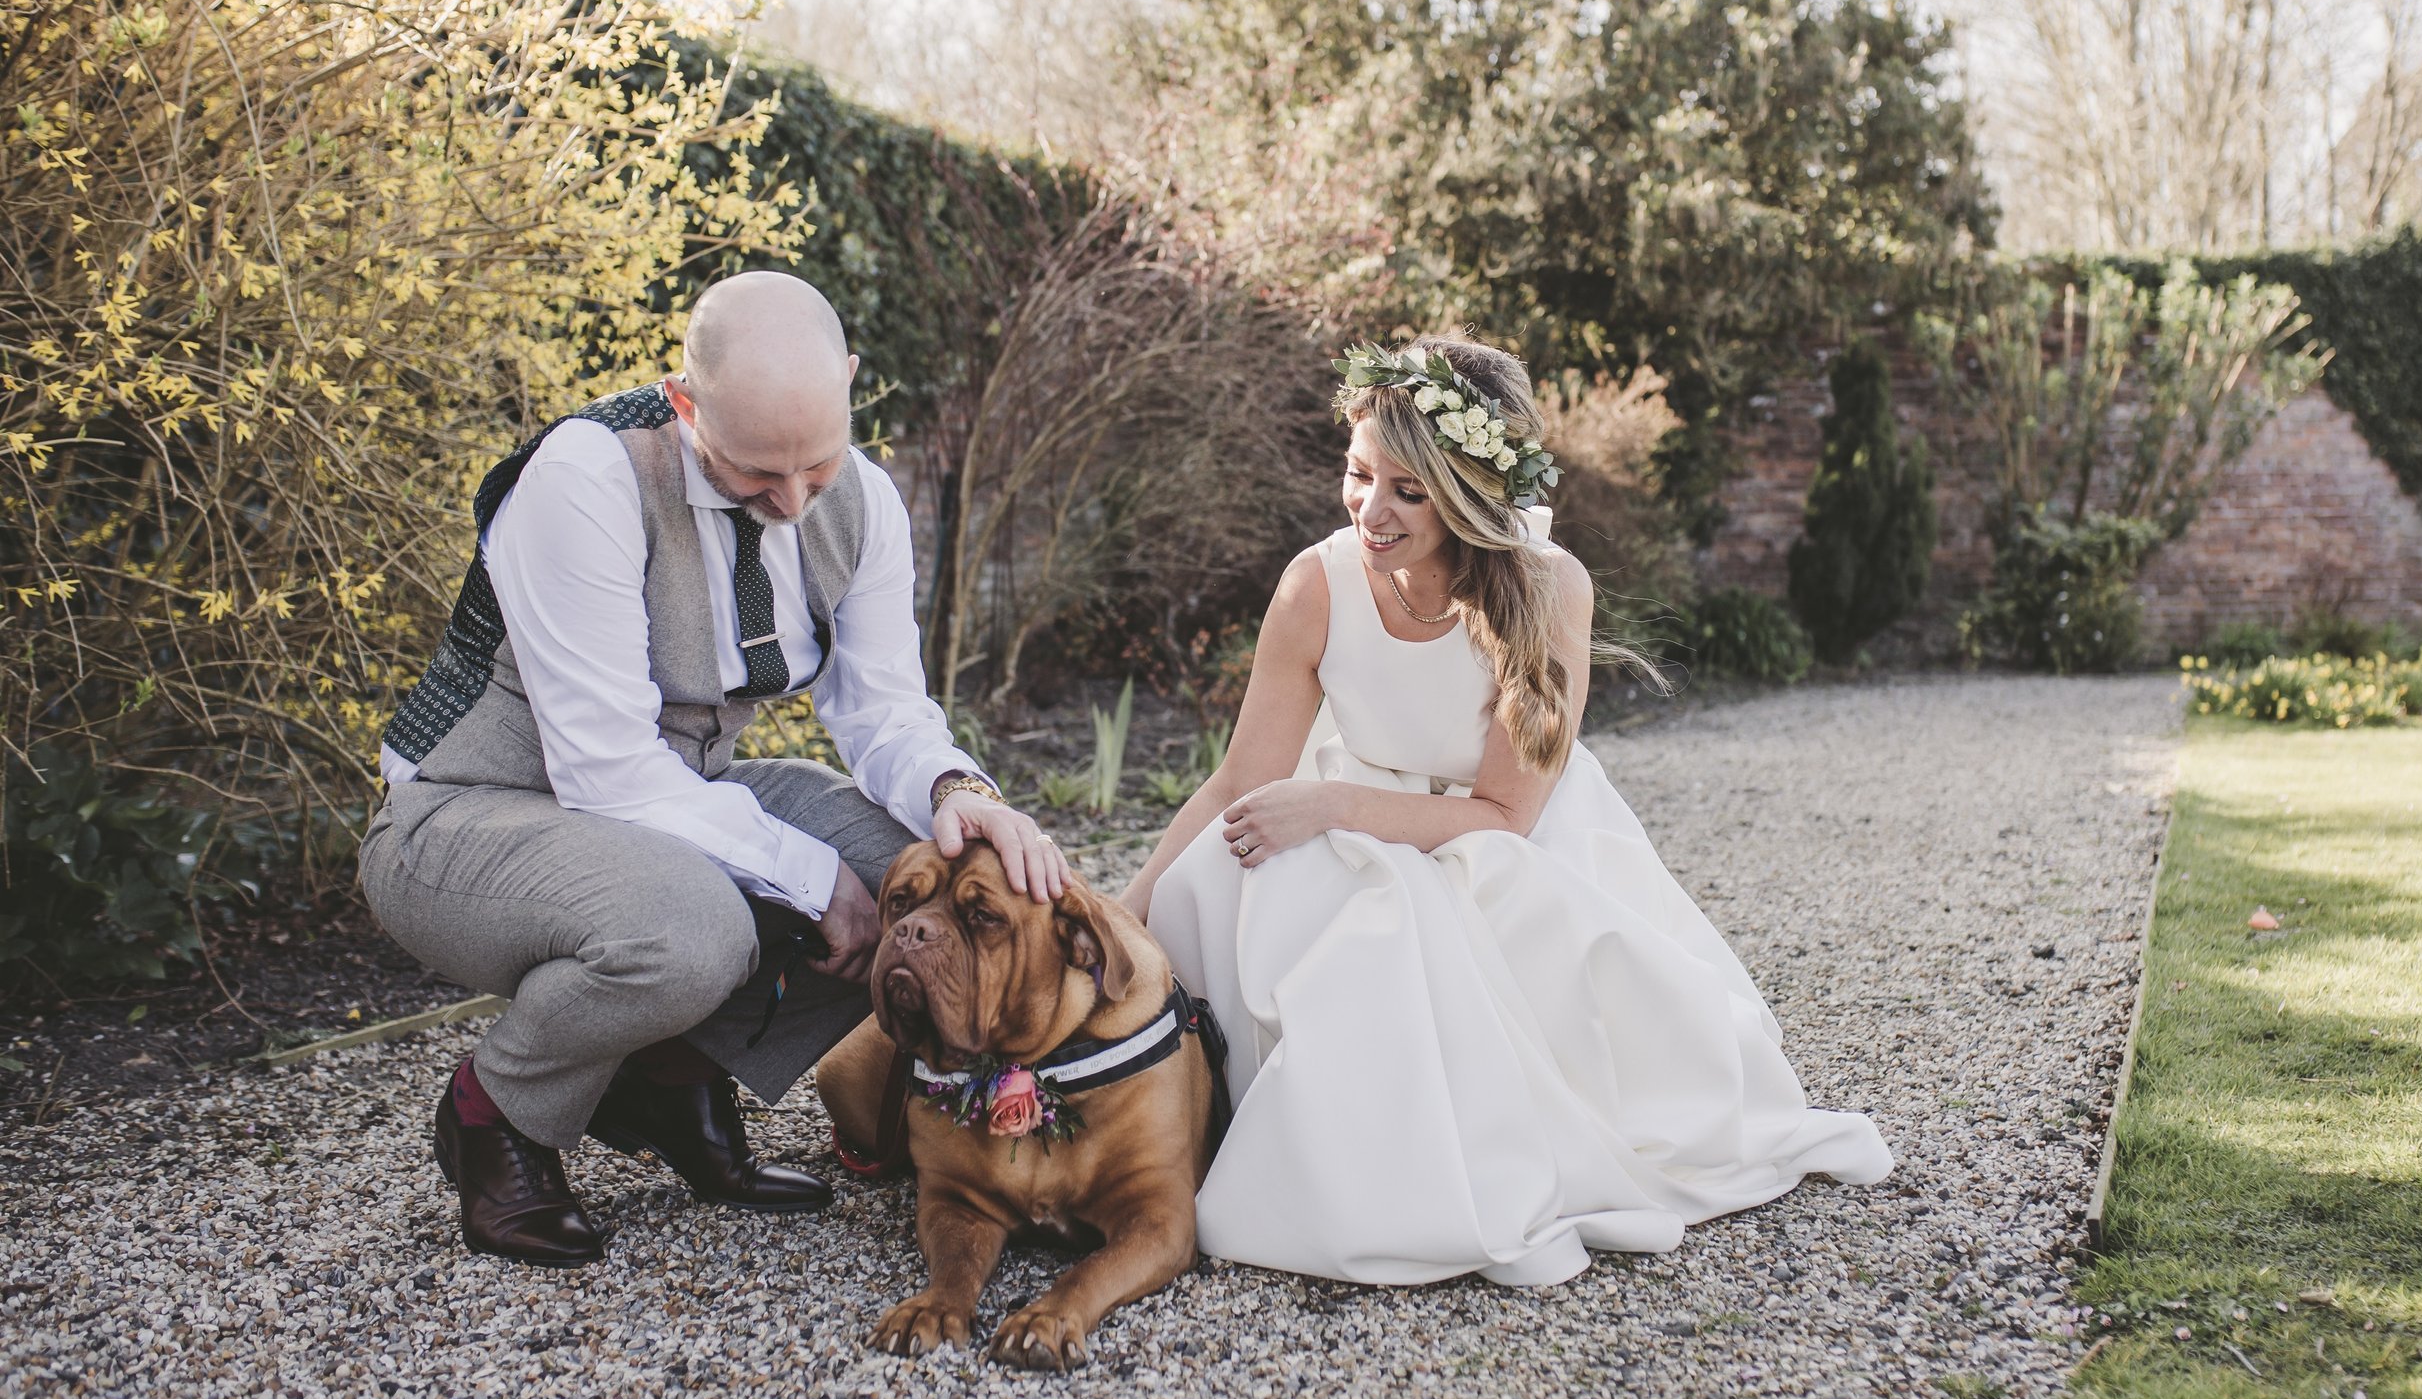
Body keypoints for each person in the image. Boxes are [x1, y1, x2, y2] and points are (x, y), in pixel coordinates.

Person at [1124, 334, 1892, 1286]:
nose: (1371, 509)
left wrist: (1329, 805)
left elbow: (1501, 817)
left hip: (1501, 838)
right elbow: (1237, 784)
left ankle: (1415, 1167)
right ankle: (1261, 1116)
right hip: (1361, 799)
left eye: (1409, 489)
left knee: (1401, 915)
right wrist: (1127, 911)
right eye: (1360, 474)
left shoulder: (1547, 586)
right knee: (1234, 868)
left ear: (1473, 490)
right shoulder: (1314, 583)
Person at [358, 270, 1070, 1267]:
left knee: (927, 883)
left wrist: (961, 796)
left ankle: (665, 1075)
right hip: (468, 815)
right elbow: (607, 771)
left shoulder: (862, 500)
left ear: (851, 384)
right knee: (694, 929)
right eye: (752, 473)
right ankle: (498, 1112)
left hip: (666, 806)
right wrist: (817, 883)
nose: (788, 503)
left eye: (813, 468)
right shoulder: (587, 476)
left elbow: (881, 709)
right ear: (686, 403)